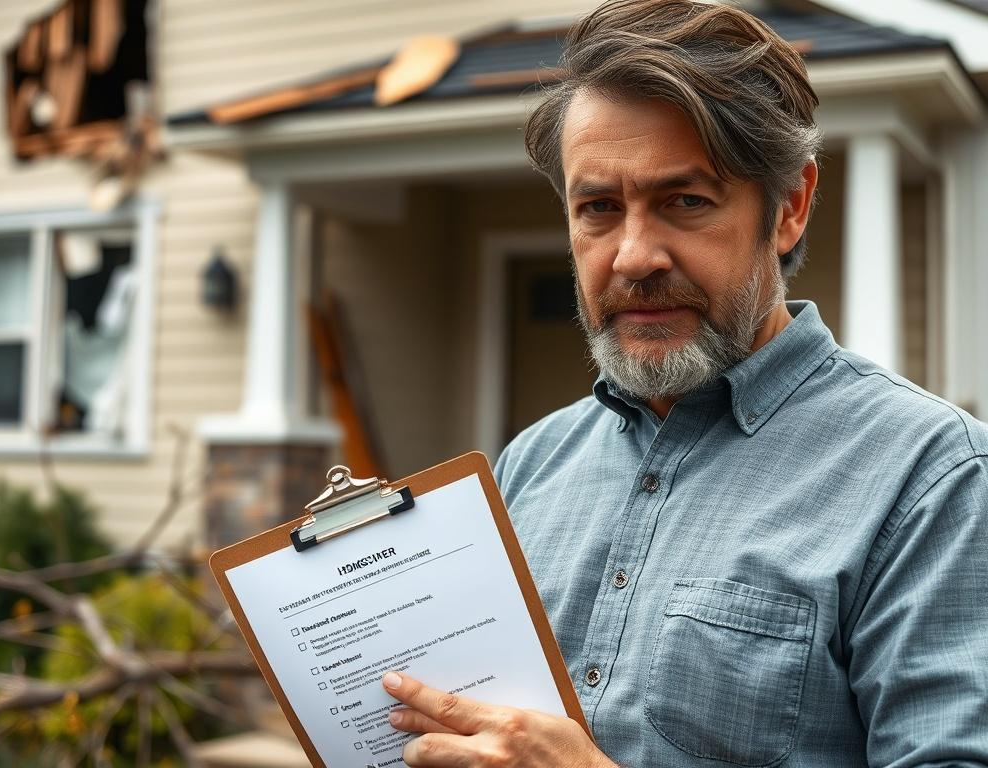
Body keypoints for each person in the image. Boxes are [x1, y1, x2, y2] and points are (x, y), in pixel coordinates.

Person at [380, 0, 988, 765]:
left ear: (790, 207)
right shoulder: (531, 464)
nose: (634, 256)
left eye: (685, 202)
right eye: (598, 208)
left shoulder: (932, 478)